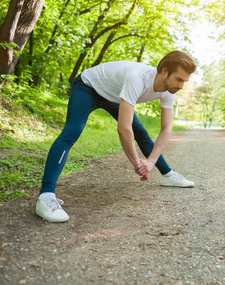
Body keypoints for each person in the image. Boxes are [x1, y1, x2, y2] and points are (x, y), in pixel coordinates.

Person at [36, 50, 197, 223]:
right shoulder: (138, 78)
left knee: (141, 132)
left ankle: (168, 175)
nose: (181, 86)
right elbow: (124, 129)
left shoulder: (169, 91)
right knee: (73, 131)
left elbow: (166, 129)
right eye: (179, 79)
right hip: (88, 86)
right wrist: (137, 164)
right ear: (164, 71)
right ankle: (45, 197)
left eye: (184, 82)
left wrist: (149, 162)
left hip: (114, 95)